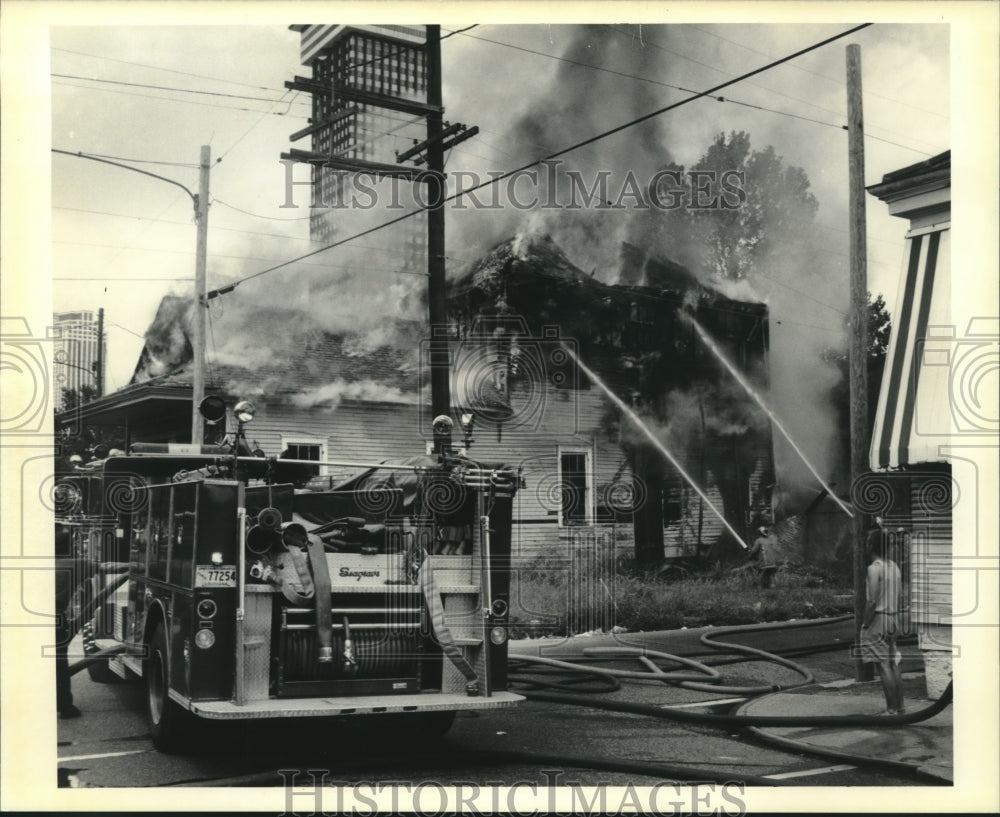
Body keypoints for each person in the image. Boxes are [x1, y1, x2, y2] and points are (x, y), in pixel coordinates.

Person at [860, 528, 905, 715]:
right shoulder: (894, 566)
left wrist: (865, 624)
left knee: (883, 665)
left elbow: (871, 600)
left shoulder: (874, 568)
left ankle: (891, 709)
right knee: (893, 663)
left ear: (871, 546)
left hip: (879, 618)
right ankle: (900, 707)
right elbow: (901, 596)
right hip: (893, 618)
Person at [55, 522, 82, 718]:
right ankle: (65, 707)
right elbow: (108, 567)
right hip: (56, 619)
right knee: (60, 664)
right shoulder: (75, 565)